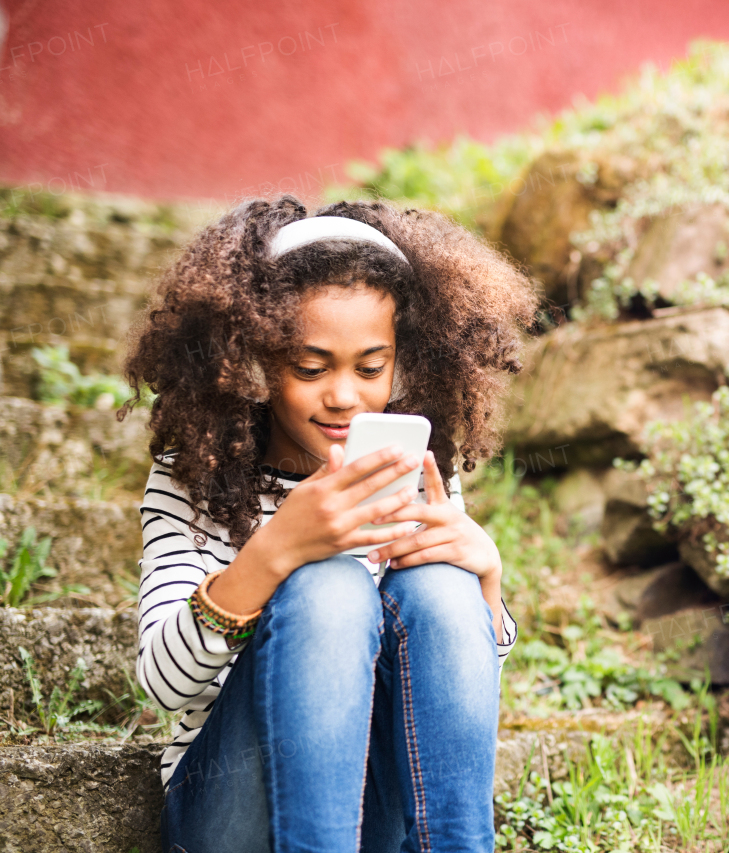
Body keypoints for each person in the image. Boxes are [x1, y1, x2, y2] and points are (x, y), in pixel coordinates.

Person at [119, 196, 539, 852]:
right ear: (257, 355)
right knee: (328, 585)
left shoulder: (410, 464)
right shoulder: (198, 472)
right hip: (231, 814)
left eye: (371, 367)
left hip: (375, 810)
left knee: (438, 583)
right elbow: (163, 681)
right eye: (310, 367)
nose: (344, 395)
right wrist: (279, 547)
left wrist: (485, 580)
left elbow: (451, 688)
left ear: (403, 358)